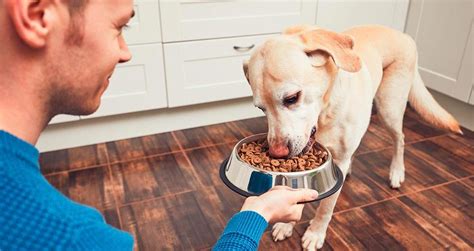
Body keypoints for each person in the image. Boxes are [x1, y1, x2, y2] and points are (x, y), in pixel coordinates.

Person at [0, 0, 319, 250]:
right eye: (119, 26)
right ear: (37, 15)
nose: (125, 52)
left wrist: (256, 211)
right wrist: (256, 216)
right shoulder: (72, 238)